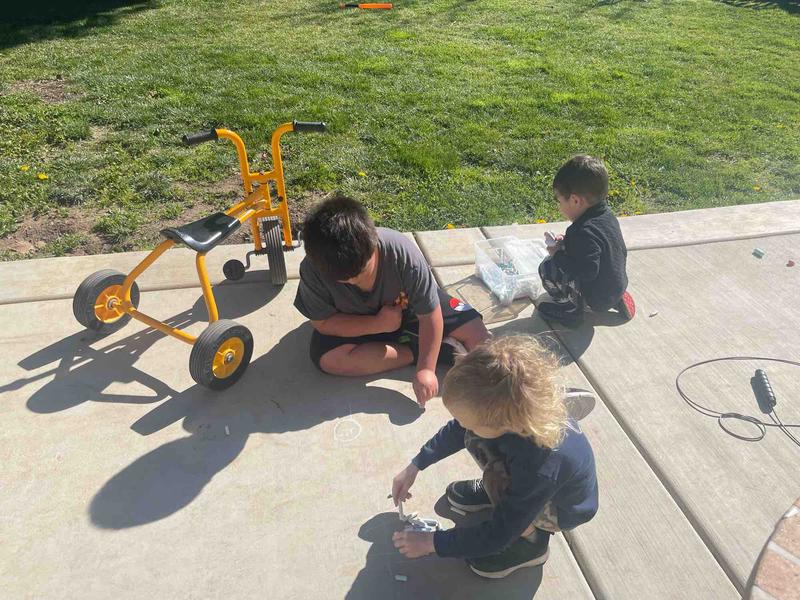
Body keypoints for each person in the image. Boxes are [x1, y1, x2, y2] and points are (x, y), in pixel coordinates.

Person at [390, 335, 598, 578]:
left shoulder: (540, 465)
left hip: (564, 508)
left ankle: (531, 543)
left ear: (502, 421)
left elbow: (498, 534)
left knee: (504, 500)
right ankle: (500, 492)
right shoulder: (513, 410)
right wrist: (416, 465)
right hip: (532, 476)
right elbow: (459, 430)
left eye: (466, 420)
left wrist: (432, 542)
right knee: (473, 437)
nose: (460, 425)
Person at [293, 194, 490, 407]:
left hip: (408, 308)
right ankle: (413, 350)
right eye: (342, 280)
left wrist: (426, 370)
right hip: (354, 323)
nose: (352, 283)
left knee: (478, 333)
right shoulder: (312, 269)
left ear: (374, 244)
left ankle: (420, 347)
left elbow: (429, 313)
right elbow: (323, 323)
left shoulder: (403, 255)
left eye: (361, 273)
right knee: (329, 360)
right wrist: (376, 325)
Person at [538, 154, 635, 326]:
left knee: (547, 268)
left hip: (596, 299)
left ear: (575, 200)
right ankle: (616, 298)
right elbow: (599, 245)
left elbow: (586, 272)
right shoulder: (606, 216)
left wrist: (557, 254)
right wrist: (567, 242)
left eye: (559, 201)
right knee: (603, 268)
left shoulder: (581, 231)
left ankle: (571, 312)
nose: (559, 207)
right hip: (616, 285)